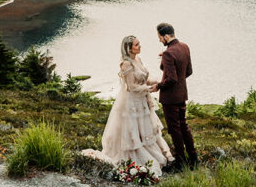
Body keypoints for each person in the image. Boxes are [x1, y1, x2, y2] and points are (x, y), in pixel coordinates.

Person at [82, 35, 172, 175]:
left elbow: (145, 79)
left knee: (145, 129)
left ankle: (157, 154)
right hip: (132, 102)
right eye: (136, 45)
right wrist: (149, 89)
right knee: (133, 130)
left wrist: (160, 82)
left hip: (142, 100)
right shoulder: (126, 64)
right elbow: (131, 86)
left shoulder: (138, 59)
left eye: (139, 43)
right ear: (129, 48)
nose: (140, 46)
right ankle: (135, 158)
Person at [153, 22, 198, 171]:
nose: (159, 40)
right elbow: (188, 71)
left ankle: (180, 162)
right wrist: (164, 60)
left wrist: (158, 86)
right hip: (182, 94)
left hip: (170, 97)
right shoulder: (184, 47)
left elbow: (170, 79)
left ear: (166, 36)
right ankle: (193, 159)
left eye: (160, 37)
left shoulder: (168, 53)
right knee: (184, 127)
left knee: (174, 129)